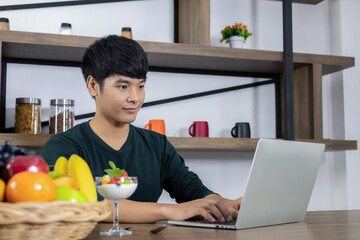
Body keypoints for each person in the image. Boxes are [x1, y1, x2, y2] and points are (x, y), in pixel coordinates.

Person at [42, 35, 242, 223]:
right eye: (123, 86)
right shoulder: (63, 146)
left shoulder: (157, 144)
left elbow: (189, 187)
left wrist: (221, 203)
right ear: (93, 85)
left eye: (140, 86)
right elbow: (87, 204)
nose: (135, 98)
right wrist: (171, 210)